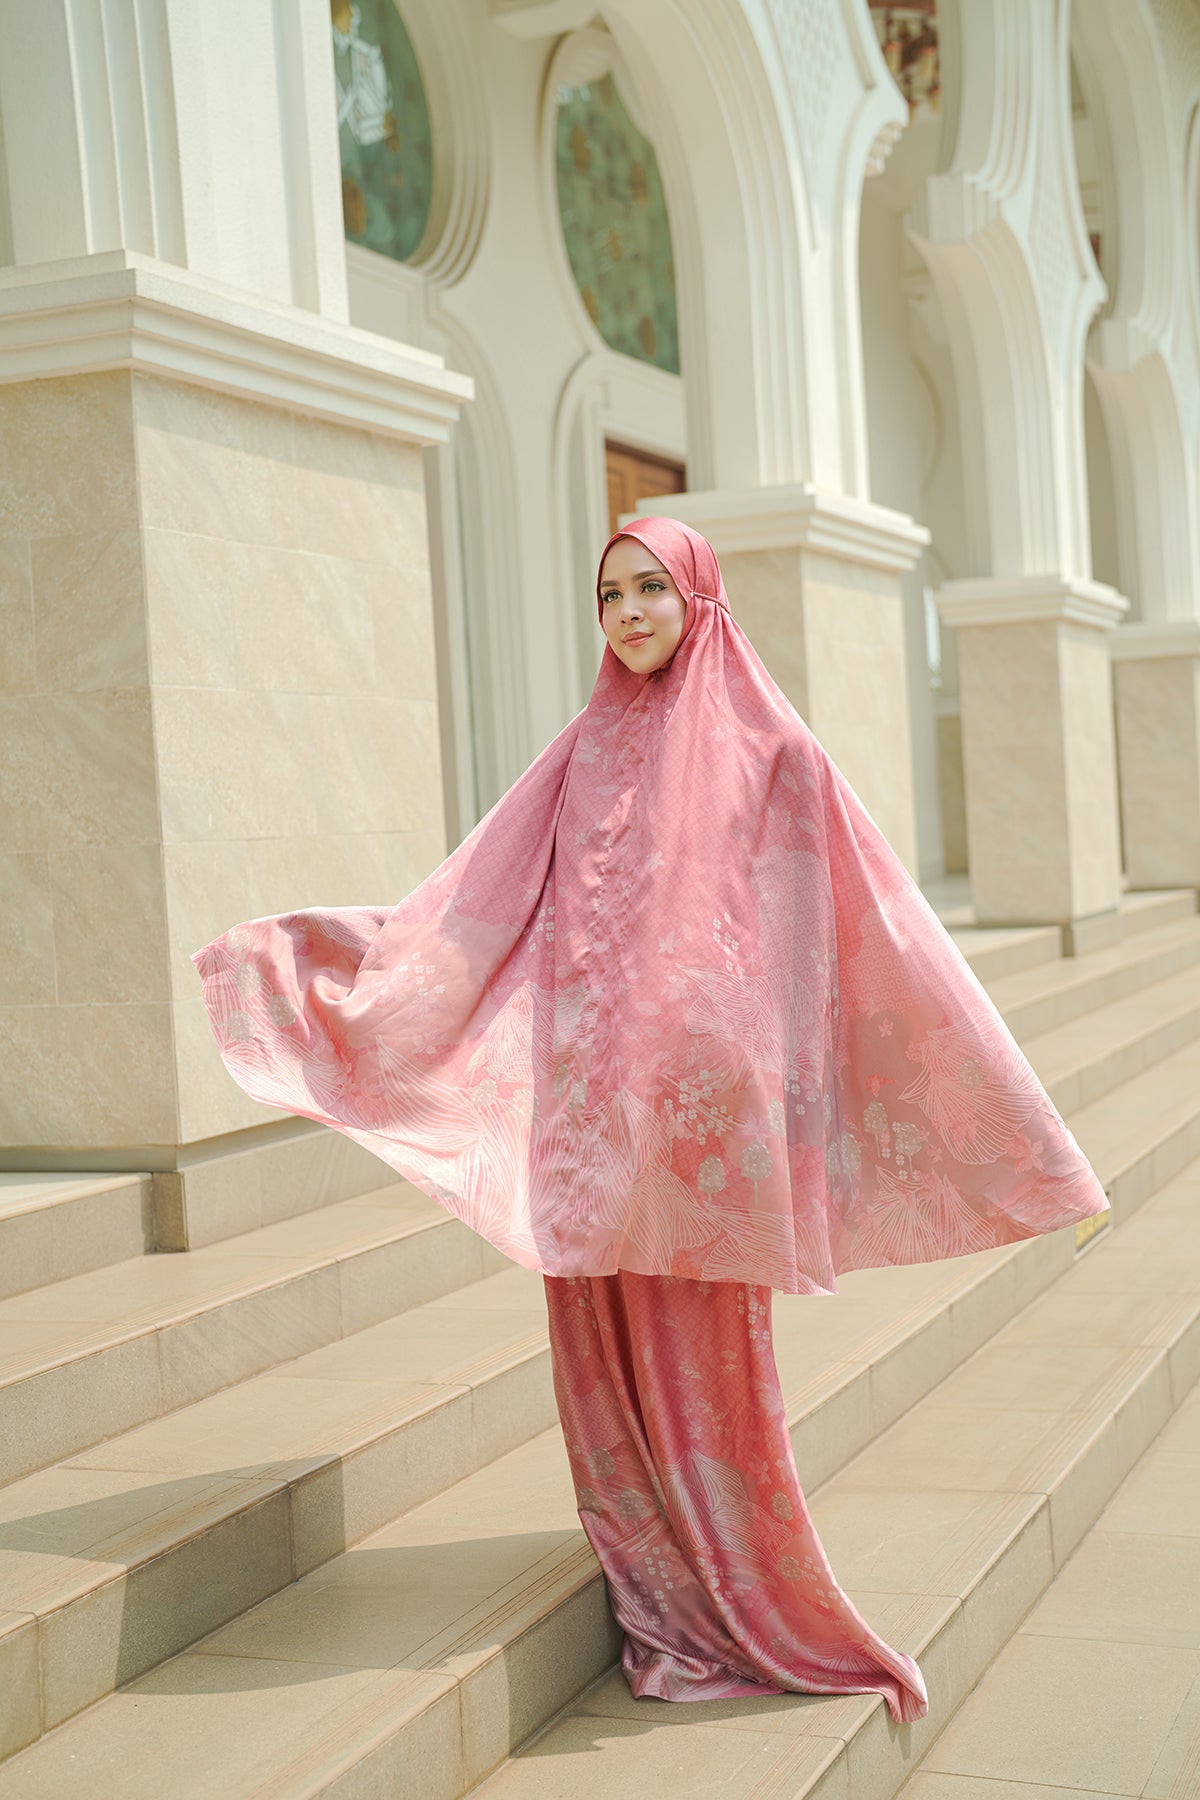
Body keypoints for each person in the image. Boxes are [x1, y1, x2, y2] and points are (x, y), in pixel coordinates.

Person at [193, 517, 1109, 1724]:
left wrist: (995, 1133)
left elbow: (862, 931)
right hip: (587, 1132)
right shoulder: (582, 751)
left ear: (699, 599)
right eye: (609, 595)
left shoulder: (776, 753)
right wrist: (343, 968)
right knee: (600, 1381)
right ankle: (659, 1603)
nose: (628, 614)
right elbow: (479, 902)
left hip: (701, 1148)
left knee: (708, 1381)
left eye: (649, 590)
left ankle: (744, 1597)